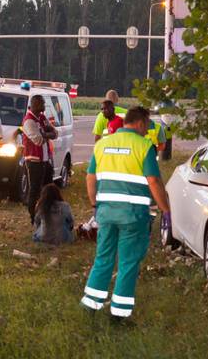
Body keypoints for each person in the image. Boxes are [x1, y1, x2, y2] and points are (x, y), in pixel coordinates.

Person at [80, 106, 171, 321]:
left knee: (103, 258)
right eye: (146, 126)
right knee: (128, 263)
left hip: (106, 213)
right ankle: (118, 315)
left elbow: (90, 178)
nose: (147, 130)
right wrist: (166, 209)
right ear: (139, 123)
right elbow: (154, 181)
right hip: (133, 216)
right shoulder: (144, 146)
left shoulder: (102, 144)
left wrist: (95, 203)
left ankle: (91, 307)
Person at [22, 95, 58, 224]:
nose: (44, 106)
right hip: (33, 161)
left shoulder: (42, 118)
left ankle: (47, 214)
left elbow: (55, 133)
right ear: (36, 104)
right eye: (42, 103)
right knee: (34, 191)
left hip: (45, 160)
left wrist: (45, 134)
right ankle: (34, 218)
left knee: (48, 188)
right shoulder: (29, 121)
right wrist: (46, 135)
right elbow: (38, 140)